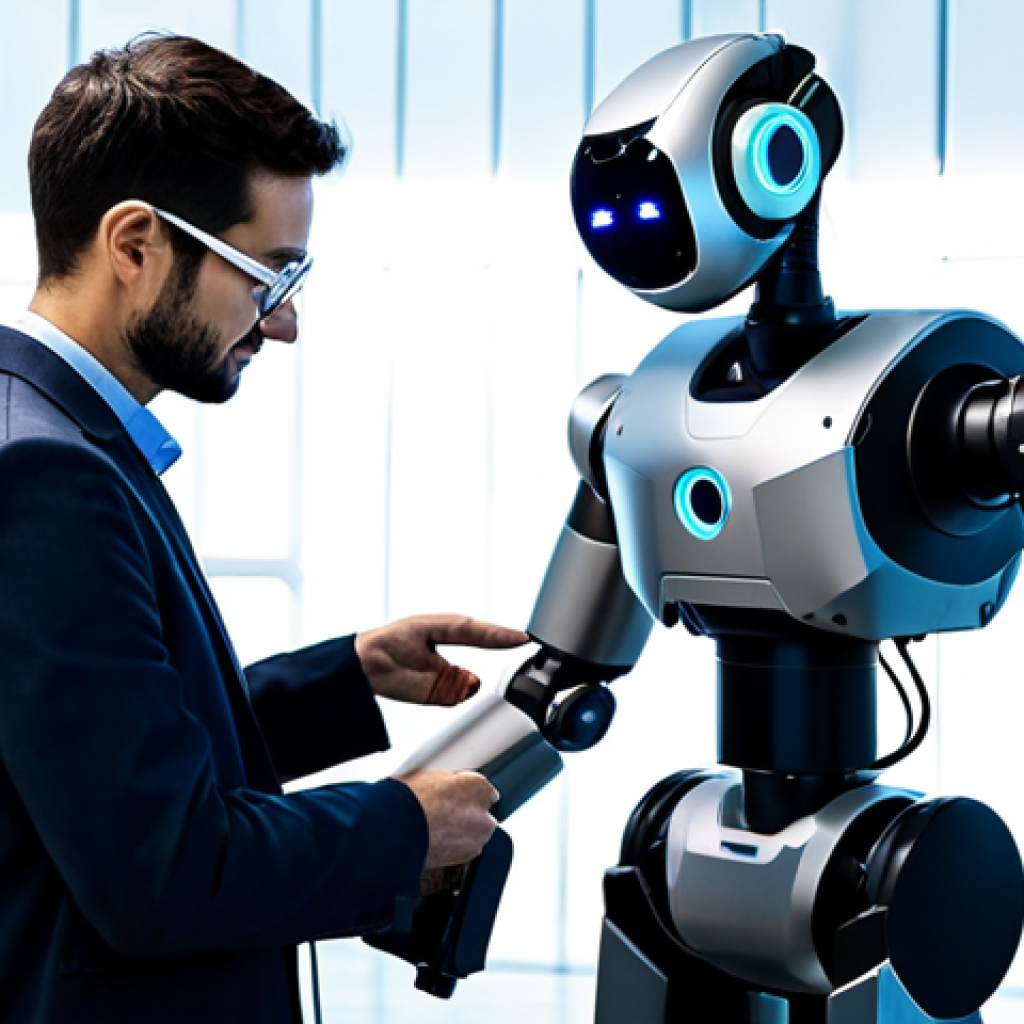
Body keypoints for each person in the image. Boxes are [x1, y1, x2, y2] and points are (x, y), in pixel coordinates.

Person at [0, 33, 527, 1024]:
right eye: (267, 276)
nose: (281, 322)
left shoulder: (45, 435)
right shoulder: (44, 473)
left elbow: (95, 751)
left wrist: (346, 673)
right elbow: (163, 870)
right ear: (134, 245)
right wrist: (401, 825)